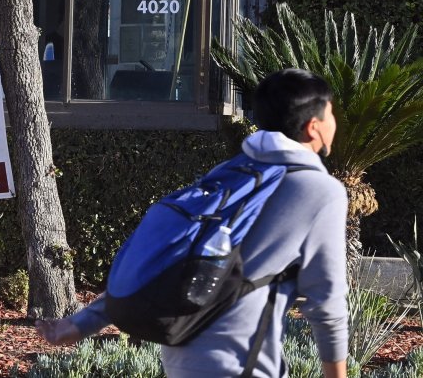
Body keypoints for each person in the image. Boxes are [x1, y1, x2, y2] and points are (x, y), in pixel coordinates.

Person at [36, 68, 348, 378]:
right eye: (332, 112)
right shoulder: (320, 192)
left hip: (181, 357)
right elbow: (328, 303)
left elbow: (171, 258)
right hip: (240, 366)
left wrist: (82, 323)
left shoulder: (231, 174)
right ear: (314, 127)